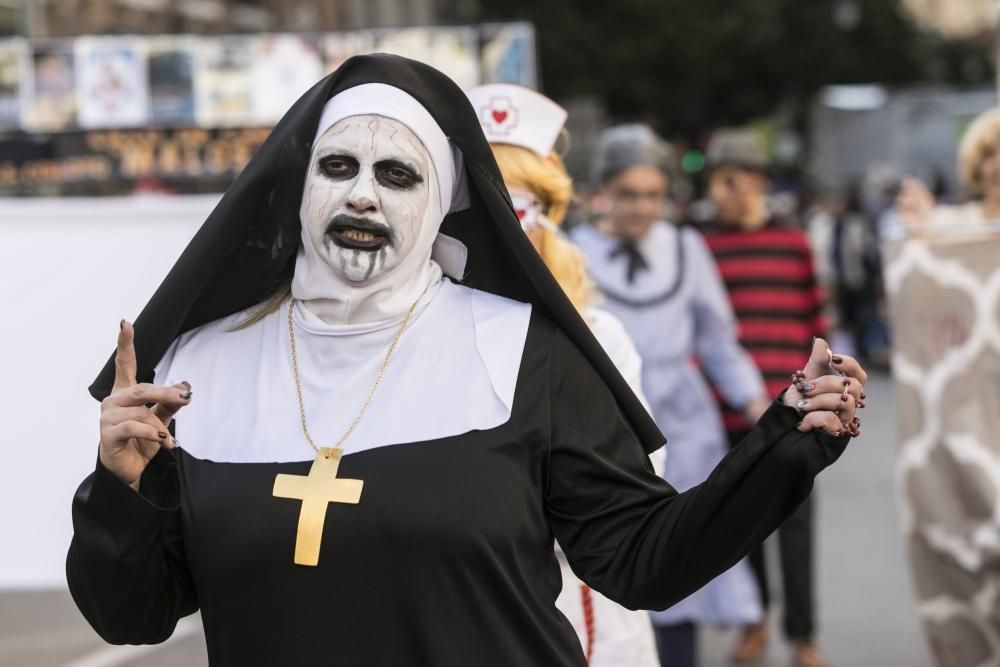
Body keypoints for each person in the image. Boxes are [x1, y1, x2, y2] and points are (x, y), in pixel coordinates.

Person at [68, 54, 866, 667]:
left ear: (441, 200)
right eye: (338, 167)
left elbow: (641, 560)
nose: (362, 198)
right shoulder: (205, 367)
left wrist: (784, 441)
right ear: (297, 185)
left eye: (397, 174)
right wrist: (120, 489)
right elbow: (134, 615)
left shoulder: (523, 351)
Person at [469, 82, 662, 666]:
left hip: (582, 609)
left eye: (521, 208)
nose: (503, 228)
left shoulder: (600, 339)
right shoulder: (407, 339)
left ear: (548, 217)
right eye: (484, 203)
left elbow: (633, 496)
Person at [570, 124, 774, 667]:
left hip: (684, 432)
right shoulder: (571, 252)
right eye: (629, 194)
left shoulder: (686, 248)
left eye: (654, 195)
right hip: (605, 431)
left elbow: (717, 340)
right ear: (603, 193)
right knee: (610, 575)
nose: (642, 207)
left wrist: (757, 404)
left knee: (677, 571)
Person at [700, 128, 834, 667]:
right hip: (731, 413)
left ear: (760, 182)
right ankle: (754, 621)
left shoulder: (793, 243)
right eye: (721, 180)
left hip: (795, 410)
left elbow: (817, 324)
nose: (731, 191)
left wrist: (825, 393)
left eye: (741, 179)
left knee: (797, 528)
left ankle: (803, 635)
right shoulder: (702, 247)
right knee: (743, 527)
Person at [891, 107, 1000, 667]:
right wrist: (921, 232)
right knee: (960, 583)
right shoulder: (948, 232)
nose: (998, 165)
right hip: (957, 427)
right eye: (989, 153)